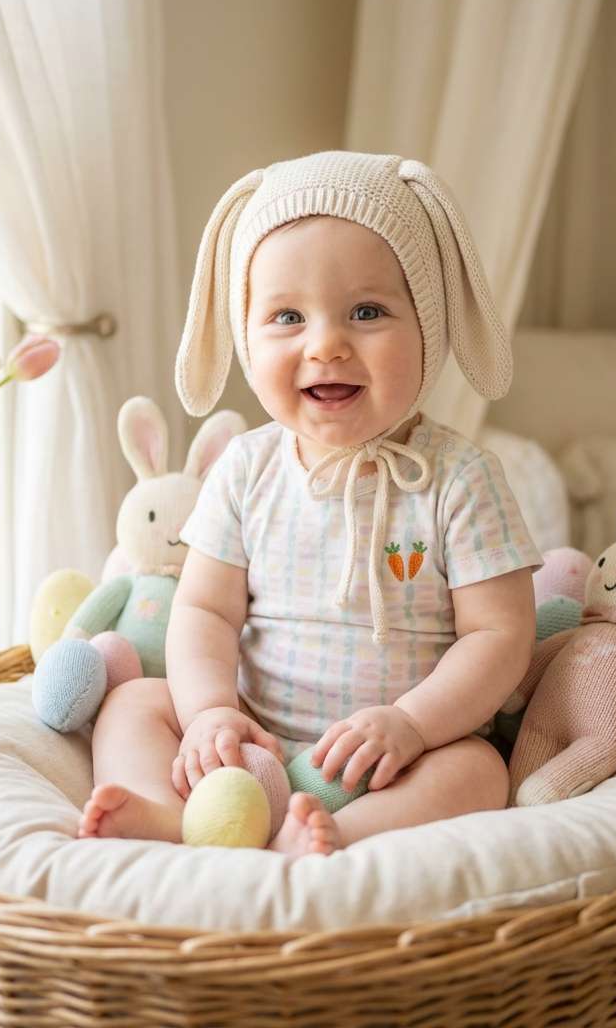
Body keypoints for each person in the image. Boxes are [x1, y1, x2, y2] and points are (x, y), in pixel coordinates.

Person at [80, 151, 543, 857]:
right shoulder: (246, 469)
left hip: (391, 761)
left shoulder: (460, 479)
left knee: (478, 770)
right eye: (288, 316)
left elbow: (499, 636)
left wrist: (413, 724)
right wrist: (208, 714)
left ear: (431, 326)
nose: (326, 344)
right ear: (245, 335)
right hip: (250, 743)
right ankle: (173, 817)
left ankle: (333, 836)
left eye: (367, 312)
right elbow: (204, 611)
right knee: (134, 703)